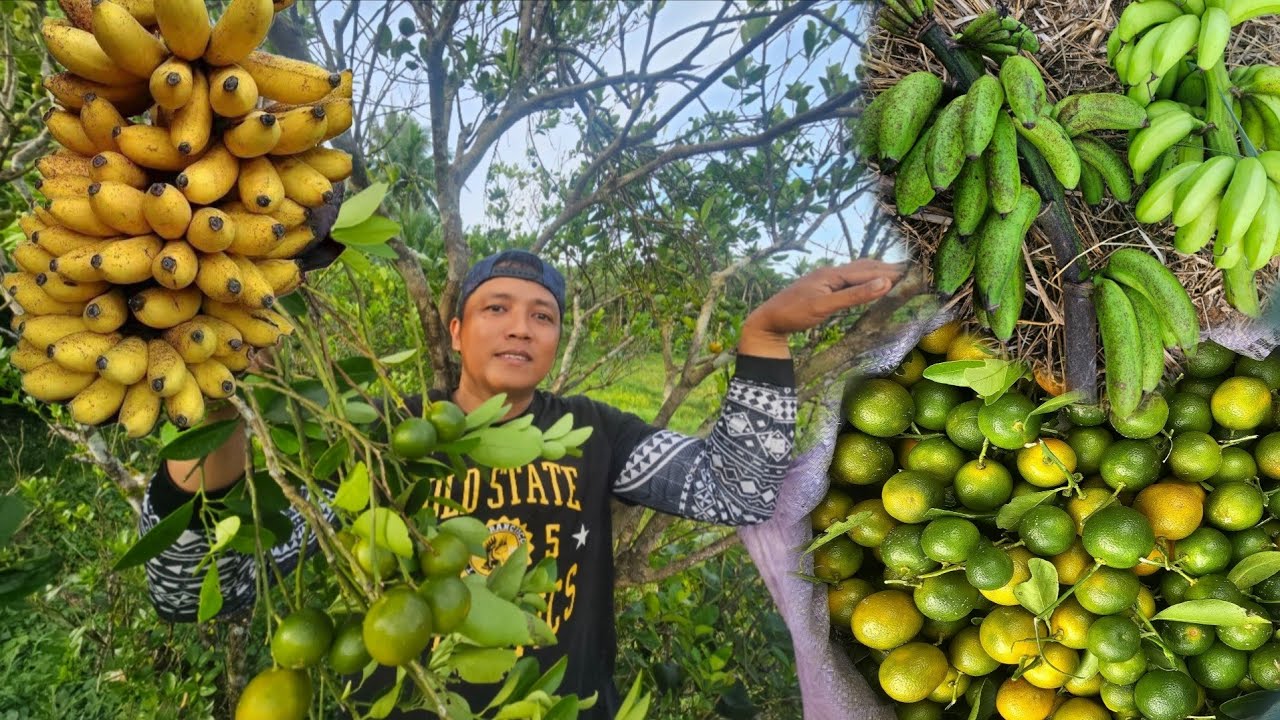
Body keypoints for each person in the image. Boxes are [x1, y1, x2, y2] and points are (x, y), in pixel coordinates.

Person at [140, 249, 904, 718]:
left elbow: (736, 491)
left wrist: (764, 336)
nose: (519, 327)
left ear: (557, 340)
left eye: (542, 316)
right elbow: (195, 591)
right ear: (455, 332)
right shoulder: (378, 442)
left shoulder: (598, 434)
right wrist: (210, 429)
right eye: (495, 308)